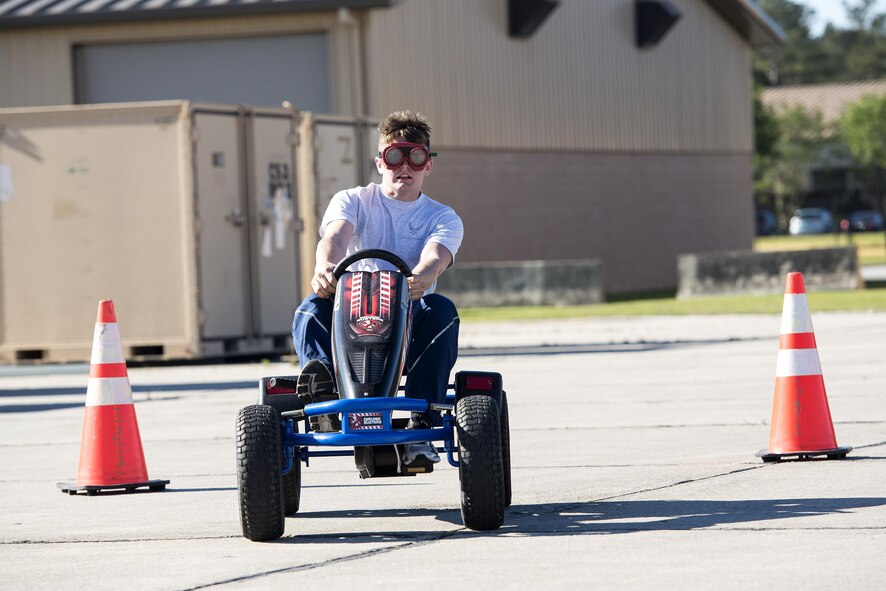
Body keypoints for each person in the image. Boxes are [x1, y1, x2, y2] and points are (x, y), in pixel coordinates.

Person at [291, 110, 464, 467]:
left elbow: (436, 257)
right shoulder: (353, 200)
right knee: (310, 310)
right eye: (394, 156)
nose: (405, 167)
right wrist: (324, 266)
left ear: (427, 165)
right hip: (353, 309)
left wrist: (424, 275)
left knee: (442, 312)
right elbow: (335, 238)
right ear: (380, 162)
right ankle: (324, 387)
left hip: (408, 315)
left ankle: (423, 420)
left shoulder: (442, 217)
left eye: (415, 158)